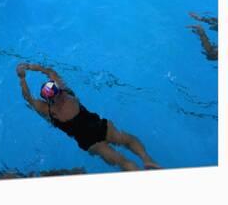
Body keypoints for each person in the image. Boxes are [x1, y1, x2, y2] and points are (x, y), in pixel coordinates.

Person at [16, 63, 160, 172]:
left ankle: (142, 171)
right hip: (98, 126)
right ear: (57, 90)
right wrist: (29, 67)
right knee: (126, 140)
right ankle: (147, 159)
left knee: (122, 161)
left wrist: (22, 78)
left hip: (89, 141)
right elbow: (49, 71)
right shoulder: (66, 92)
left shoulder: (49, 110)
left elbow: (29, 98)